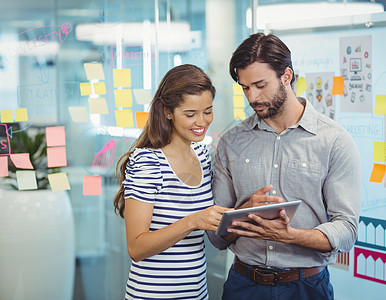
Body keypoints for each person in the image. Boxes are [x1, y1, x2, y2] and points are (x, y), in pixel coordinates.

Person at [206, 33, 361, 300]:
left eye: (260, 84)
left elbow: (346, 231)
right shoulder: (231, 142)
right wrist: (243, 211)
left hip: (307, 288)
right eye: (245, 88)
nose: (252, 97)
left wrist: (290, 236)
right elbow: (217, 238)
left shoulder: (334, 141)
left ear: (286, 76)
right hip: (243, 286)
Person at [113, 64, 230, 300]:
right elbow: (136, 248)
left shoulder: (202, 154)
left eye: (207, 111)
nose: (202, 122)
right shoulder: (148, 161)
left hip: (196, 293)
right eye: (190, 114)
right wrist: (193, 221)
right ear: (168, 112)